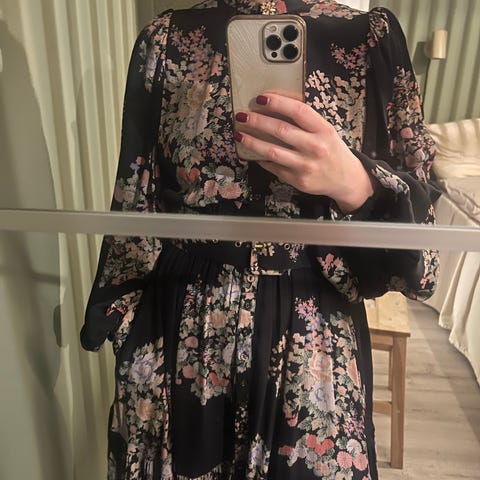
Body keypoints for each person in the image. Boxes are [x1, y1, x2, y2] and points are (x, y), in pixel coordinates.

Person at [82, 1, 440, 479]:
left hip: (315, 346)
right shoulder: (166, 39)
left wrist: (356, 183)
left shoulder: (368, 38)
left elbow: (424, 246)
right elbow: (136, 193)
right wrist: (122, 324)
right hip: (177, 329)